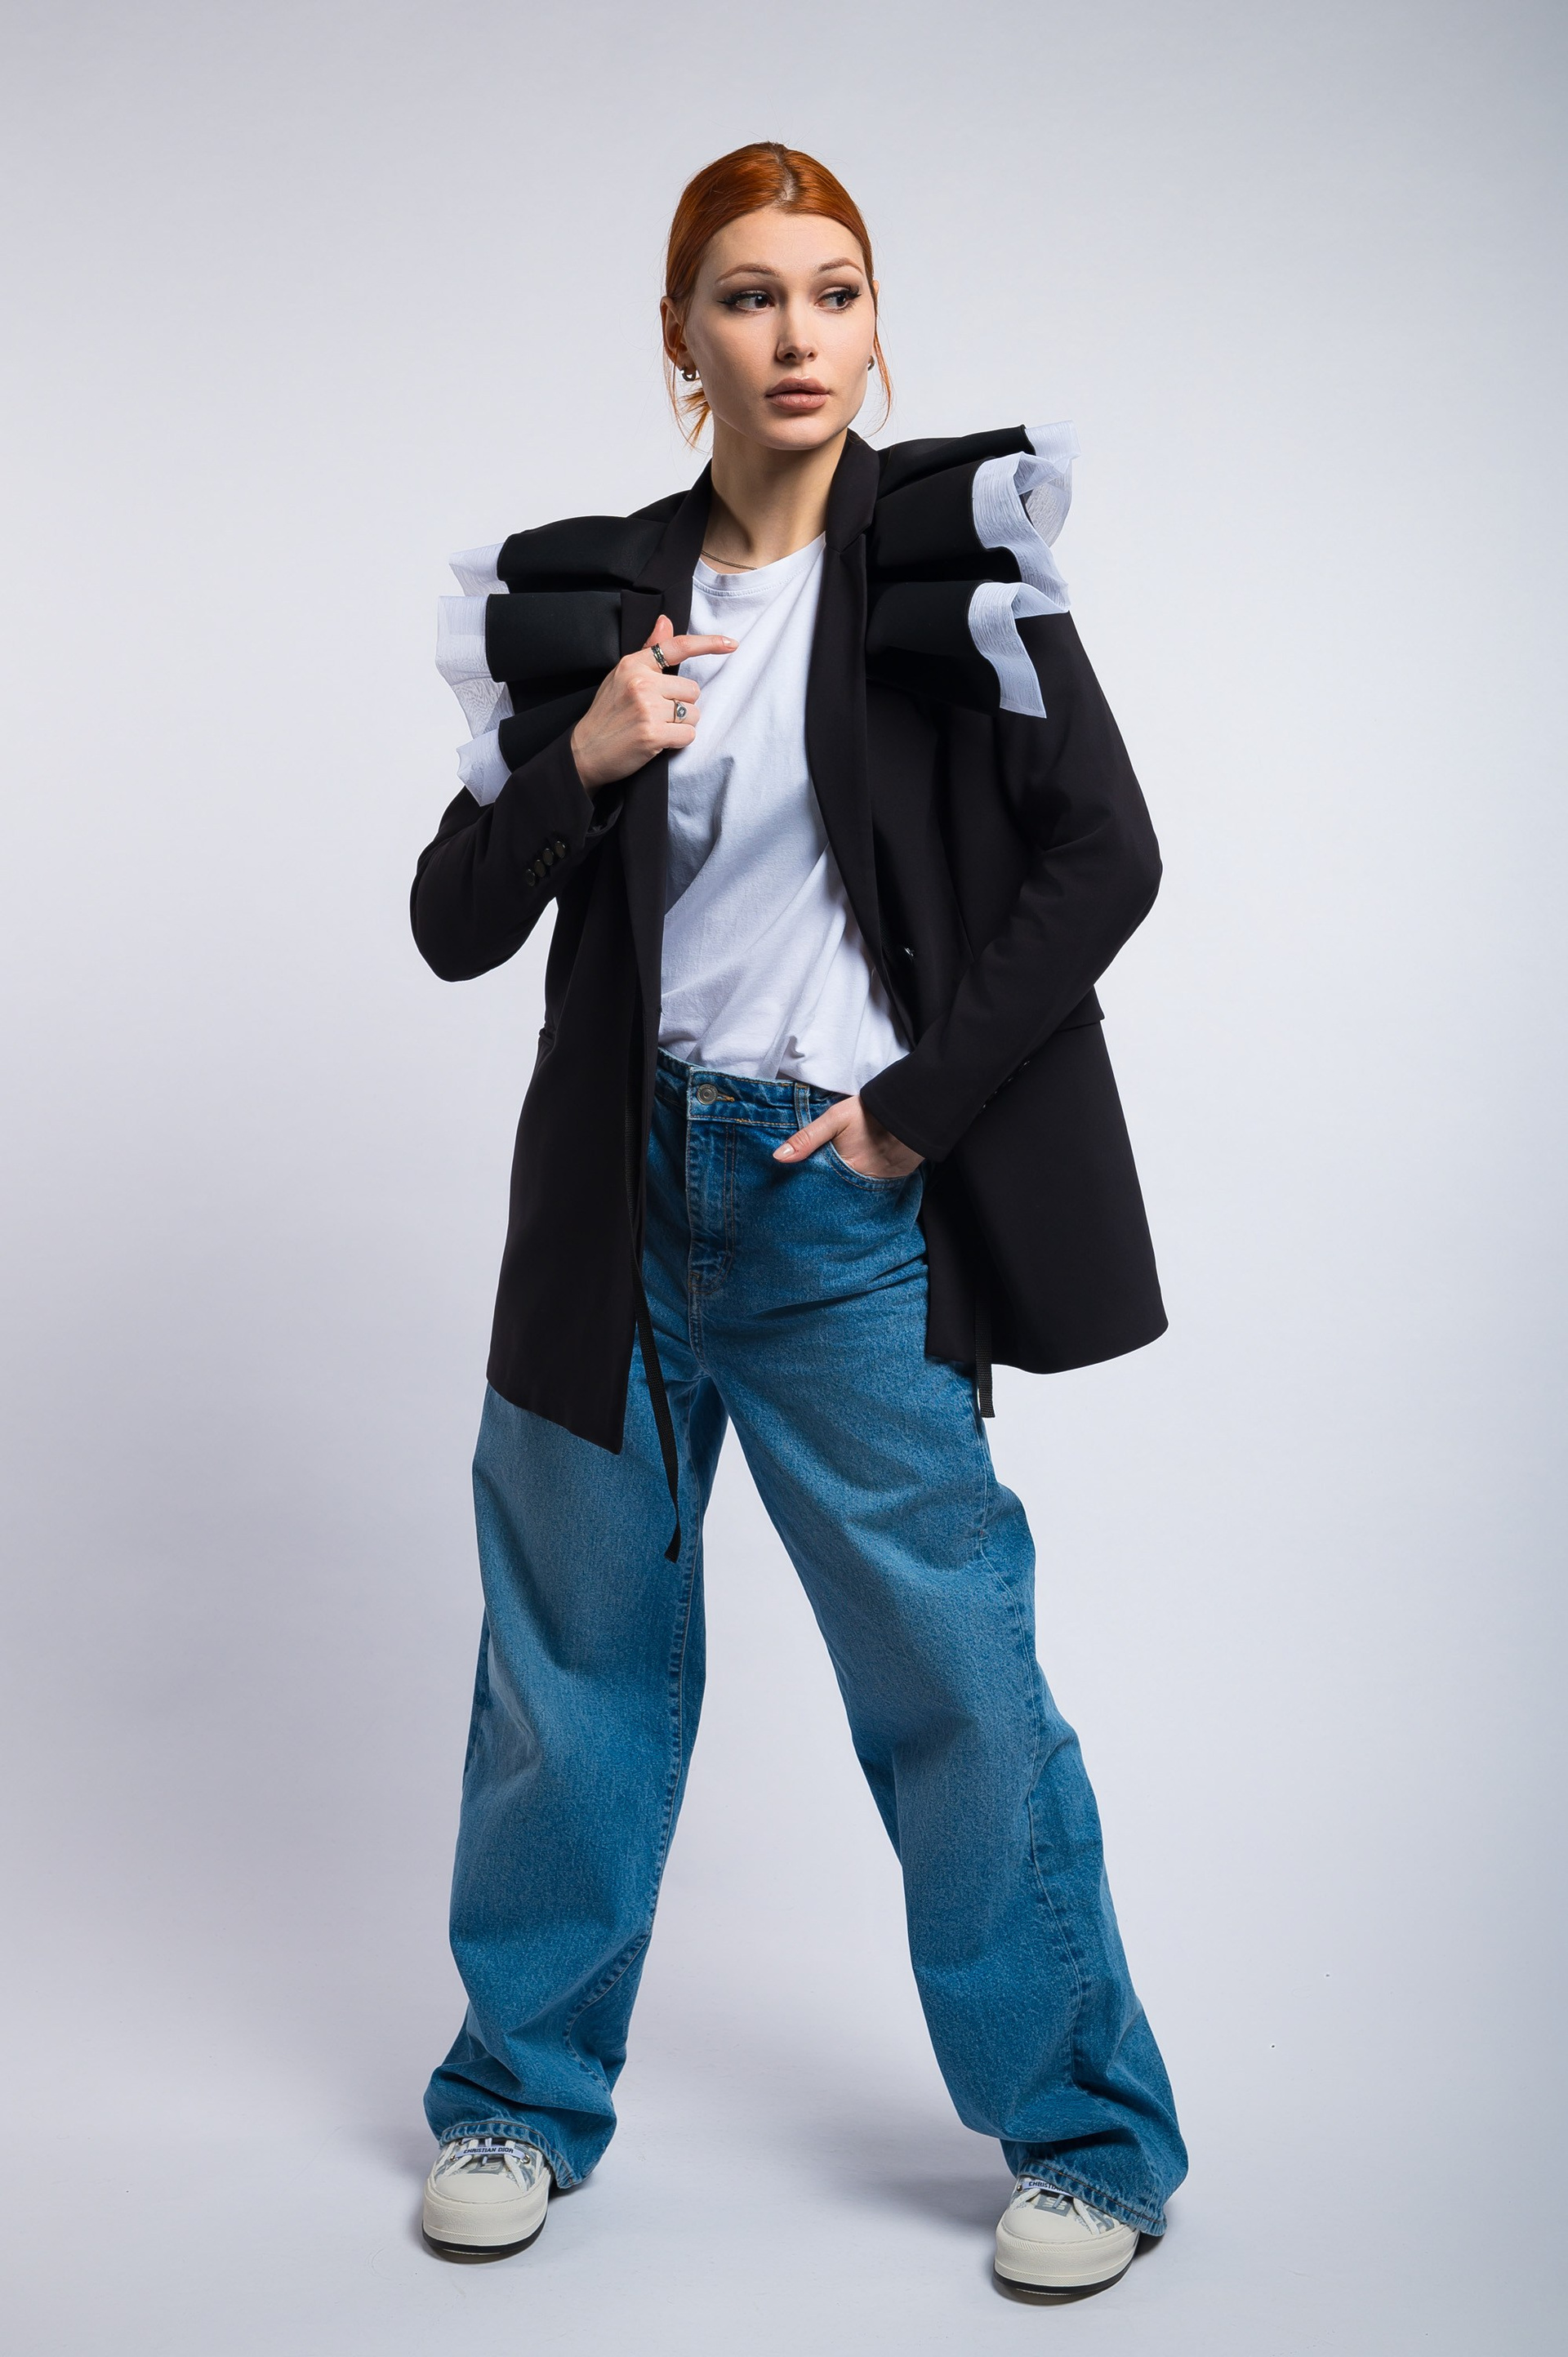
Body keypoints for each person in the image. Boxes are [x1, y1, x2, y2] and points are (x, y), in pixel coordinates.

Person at [411, 140, 1186, 2299]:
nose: (797, 337)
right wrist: (581, 757)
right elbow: (451, 921)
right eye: (748, 296)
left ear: (872, 327)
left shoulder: (952, 567)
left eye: (834, 293)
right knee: (567, 1680)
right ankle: (516, 2098)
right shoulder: (588, 600)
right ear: (683, 337)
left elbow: (1110, 854)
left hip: (836, 1212)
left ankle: (1090, 2140)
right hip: (612, 1211)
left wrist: (913, 1116)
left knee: (954, 1681)